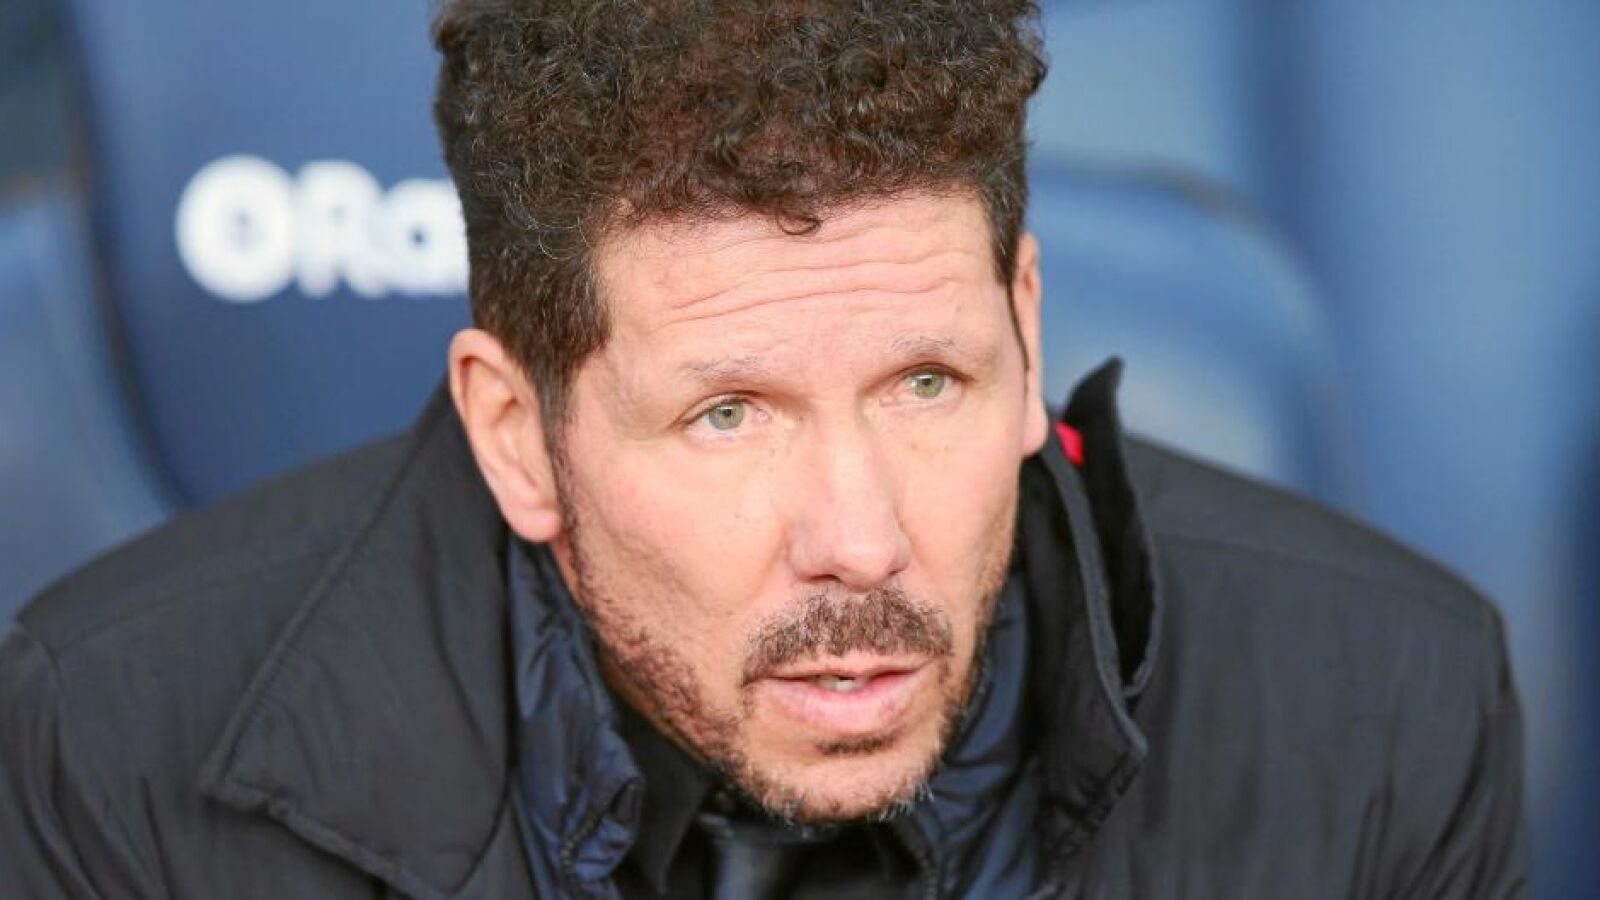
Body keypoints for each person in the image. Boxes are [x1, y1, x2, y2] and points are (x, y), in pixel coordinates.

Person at [0, 0, 1526, 897]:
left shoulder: (1388, 707)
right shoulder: (116, 754)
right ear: (515, 434)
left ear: (1025, 332)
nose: (860, 541)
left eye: (926, 382)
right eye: (728, 415)